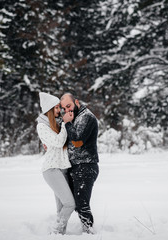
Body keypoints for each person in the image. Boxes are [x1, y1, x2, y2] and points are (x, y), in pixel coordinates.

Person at [36, 92, 75, 235]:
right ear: (50, 109)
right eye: (57, 108)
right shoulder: (42, 126)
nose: (60, 110)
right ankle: (56, 232)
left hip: (63, 169)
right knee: (70, 204)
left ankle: (59, 236)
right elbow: (59, 142)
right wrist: (65, 123)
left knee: (61, 208)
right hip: (52, 170)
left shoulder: (56, 125)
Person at [60, 93, 99, 234]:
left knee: (82, 204)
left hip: (86, 165)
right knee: (74, 203)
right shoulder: (74, 117)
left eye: (69, 106)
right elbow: (69, 140)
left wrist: (67, 123)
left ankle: (89, 232)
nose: (67, 110)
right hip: (75, 166)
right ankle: (83, 231)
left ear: (76, 102)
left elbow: (77, 141)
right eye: (64, 108)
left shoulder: (86, 117)